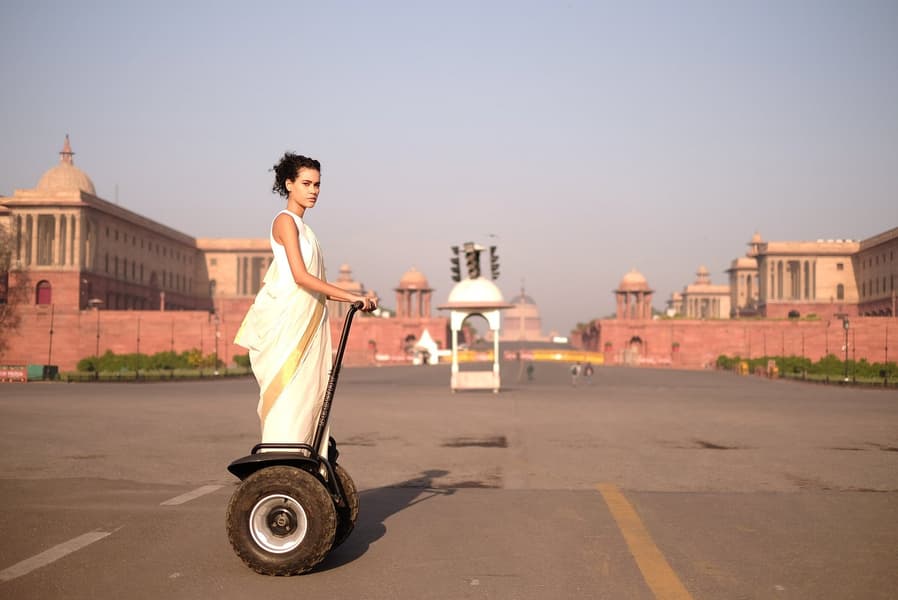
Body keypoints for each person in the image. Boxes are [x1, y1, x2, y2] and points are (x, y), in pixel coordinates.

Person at [234, 153, 377, 456]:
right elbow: (300, 276)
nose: (313, 190)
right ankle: (281, 459)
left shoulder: (306, 230)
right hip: (289, 326)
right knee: (290, 395)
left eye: (318, 185)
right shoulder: (285, 222)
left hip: (308, 320)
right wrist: (353, 296)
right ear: (289, 184)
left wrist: (356, 299)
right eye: (306, 183)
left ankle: (302, 459)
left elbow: (313, 284)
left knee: (309, 394)